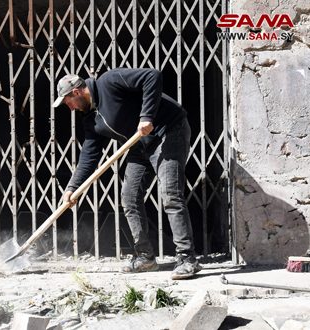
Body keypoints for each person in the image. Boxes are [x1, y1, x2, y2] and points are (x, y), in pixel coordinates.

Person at [53, 69, 201, 280]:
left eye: (68, 102)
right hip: (140, 145)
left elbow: (153, 76)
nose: (70, 108)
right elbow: (89, 156)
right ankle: (145, 258)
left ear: (77, 92)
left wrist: (146, 116)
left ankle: (187, 259)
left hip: (168, 131)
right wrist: (72, 188)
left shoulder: (109, 82)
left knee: (170, 194)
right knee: (129, 197)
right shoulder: (91, 120)